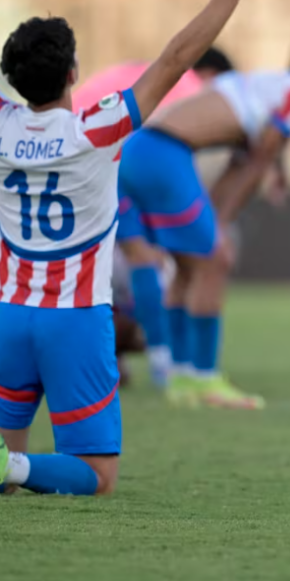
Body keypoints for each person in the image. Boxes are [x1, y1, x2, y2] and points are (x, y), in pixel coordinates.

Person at [0, 0, 271, 497]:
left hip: (10, 314)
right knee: (96, 476)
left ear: (13, 78)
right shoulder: (96, 131)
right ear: (74, 71)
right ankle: (8, 467)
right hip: (75, 318)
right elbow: (176, 58)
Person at [118, 42, 290, 409]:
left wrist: (216, 218)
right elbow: (258, 163)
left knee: (188, 267)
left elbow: (240, 165)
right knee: (216, 259)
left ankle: (180, 376)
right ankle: (205, 379)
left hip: (139, 149)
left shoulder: (260, 89)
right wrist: (221, 225)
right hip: (164, 154)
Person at [116, 47, 235, 389]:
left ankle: (160, 357)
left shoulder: (150, 83)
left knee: (144, 261)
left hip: (115, 167)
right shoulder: (199, 98)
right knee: (192, 263)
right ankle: (180, 365)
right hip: (143, 167)